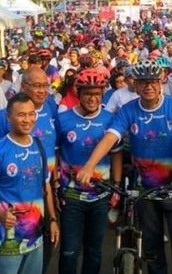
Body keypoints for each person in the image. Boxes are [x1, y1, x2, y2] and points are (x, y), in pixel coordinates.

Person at [76, 59, 172, 274]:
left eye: (152, 82)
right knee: (152, 248)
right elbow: (110, 138)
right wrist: (89, 165)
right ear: (135, 85)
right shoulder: (128, 109)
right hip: (145, 190)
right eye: (142, 82)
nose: (148, 86)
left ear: (161, 83)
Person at [0, 93, 60, 274]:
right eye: (21, 115)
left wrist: (53, 219)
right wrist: (0, 214)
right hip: (4, 242)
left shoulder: (38, 146)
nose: (28, 120)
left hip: (35, 238)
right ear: (9, 117)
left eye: (31, 114)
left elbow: (45, 185)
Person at [57, 69, 121, 274]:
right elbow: (56, 154)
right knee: (69, 251)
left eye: (97, 94)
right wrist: (57, 185)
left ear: (102, 94)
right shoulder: (63, 118)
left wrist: (117, 186)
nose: (92, 98)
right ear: (78, 93)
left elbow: (117, 154)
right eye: (87, 94)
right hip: (72, 196)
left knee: (94, 251)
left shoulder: (111, 118)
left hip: (100, 196)